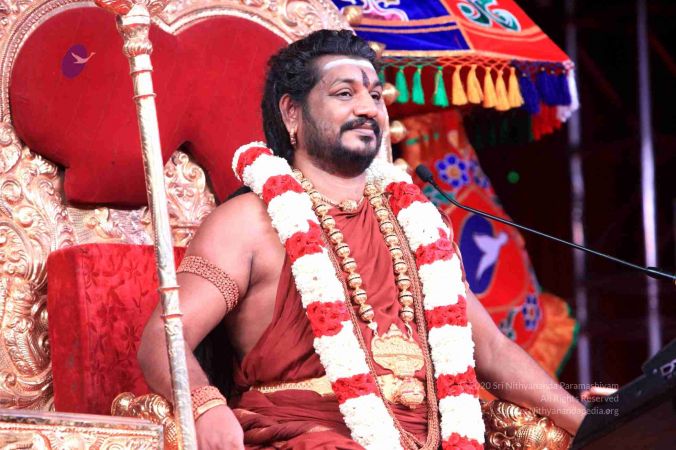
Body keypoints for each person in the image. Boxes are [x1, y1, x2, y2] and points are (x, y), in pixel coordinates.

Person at [138, 30, 586, 449]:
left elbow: (491, 349)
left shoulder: (418, 225)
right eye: (344, 93)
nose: (369, 108)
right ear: (291, 112)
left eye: (374, 95)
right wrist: (205, 408)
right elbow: (164, 337)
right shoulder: (248, 222)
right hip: (309, 436)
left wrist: (590, 423)